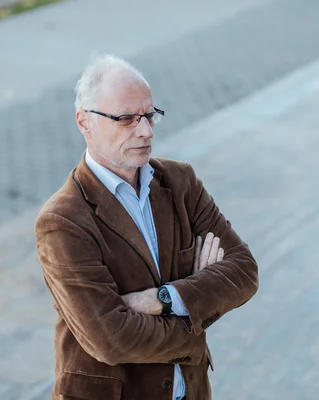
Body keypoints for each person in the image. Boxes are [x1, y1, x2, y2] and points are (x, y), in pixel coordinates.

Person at [35, 54, 258, 400]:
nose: (146, 131)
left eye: (150, 115)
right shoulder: (63, 221)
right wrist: (198, 306)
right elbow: (110, 339)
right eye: (126, 118)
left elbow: (243, 272)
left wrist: (162, 299)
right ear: (84, 122)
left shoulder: (181, 182)